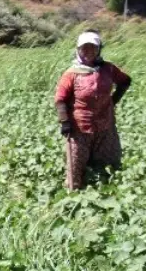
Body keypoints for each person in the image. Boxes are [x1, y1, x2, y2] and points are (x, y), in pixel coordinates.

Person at [55, 31, 131, 191]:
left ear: (99, 50)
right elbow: (60, 99)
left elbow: (125, 81)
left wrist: (113, 100)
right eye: (85, 48)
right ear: (78, 50)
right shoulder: (71, 74)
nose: (89, 52)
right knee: (76, 166)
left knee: (108, 163)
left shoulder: (108, 69)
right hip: (79, 127)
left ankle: (105, 192)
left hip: (105, 126)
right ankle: (74, 194)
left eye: (93, 48)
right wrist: (65, 122)